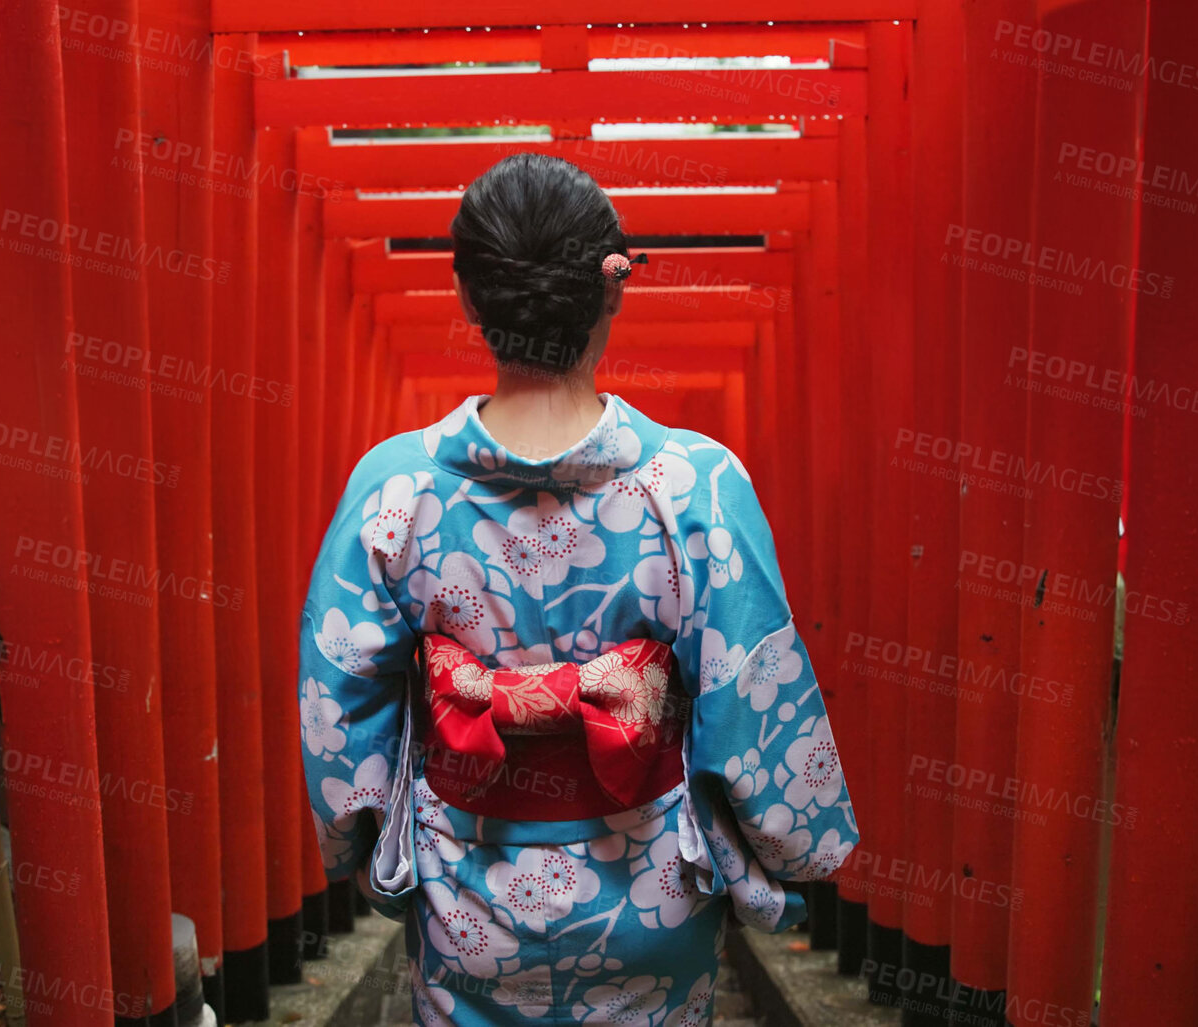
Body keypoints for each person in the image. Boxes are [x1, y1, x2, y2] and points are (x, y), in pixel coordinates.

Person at [298, 152, 856, 1025]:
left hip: (465, 895)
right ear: (614, 285)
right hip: (653, 894)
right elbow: (756, 692)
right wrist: (787, 853)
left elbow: (339, 704)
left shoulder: (395, 487)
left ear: (469, 296)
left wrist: (366, 848)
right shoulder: (694, 485)